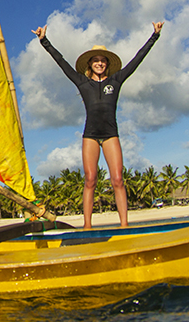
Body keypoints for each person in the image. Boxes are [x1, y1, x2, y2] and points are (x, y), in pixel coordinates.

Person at [32, 21, 163, 229]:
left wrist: (154, 36)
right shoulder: (82, 82)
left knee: (118, 180)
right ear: (90, 64)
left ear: (107, 64)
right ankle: (87, 226)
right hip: (90, 135)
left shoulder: (116, 80)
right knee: (90, 180)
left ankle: (124, 225)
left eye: (103, 61)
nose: (100, 63)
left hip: (111, 134)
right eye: (96, 61)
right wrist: (44, 41)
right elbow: (62, 62)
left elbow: (137, 59)